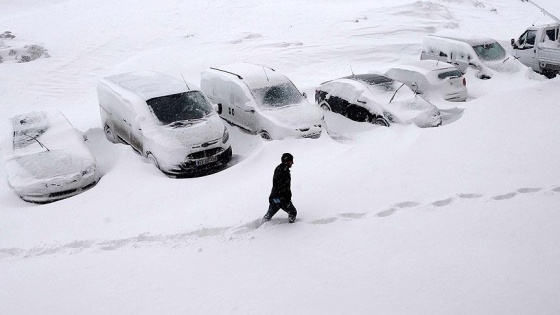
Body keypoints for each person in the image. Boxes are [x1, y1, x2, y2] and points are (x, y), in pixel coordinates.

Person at [262, 153, 297, 223]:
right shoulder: (283, 171)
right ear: (286, 161)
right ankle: (292, 228)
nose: (292, 163)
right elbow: (280, 185)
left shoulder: (280, 169)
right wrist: (283, 198)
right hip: (281, 199)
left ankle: (261, 224)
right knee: (293, 212)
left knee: (269, 215)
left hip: (275, 198)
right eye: (291, 161)